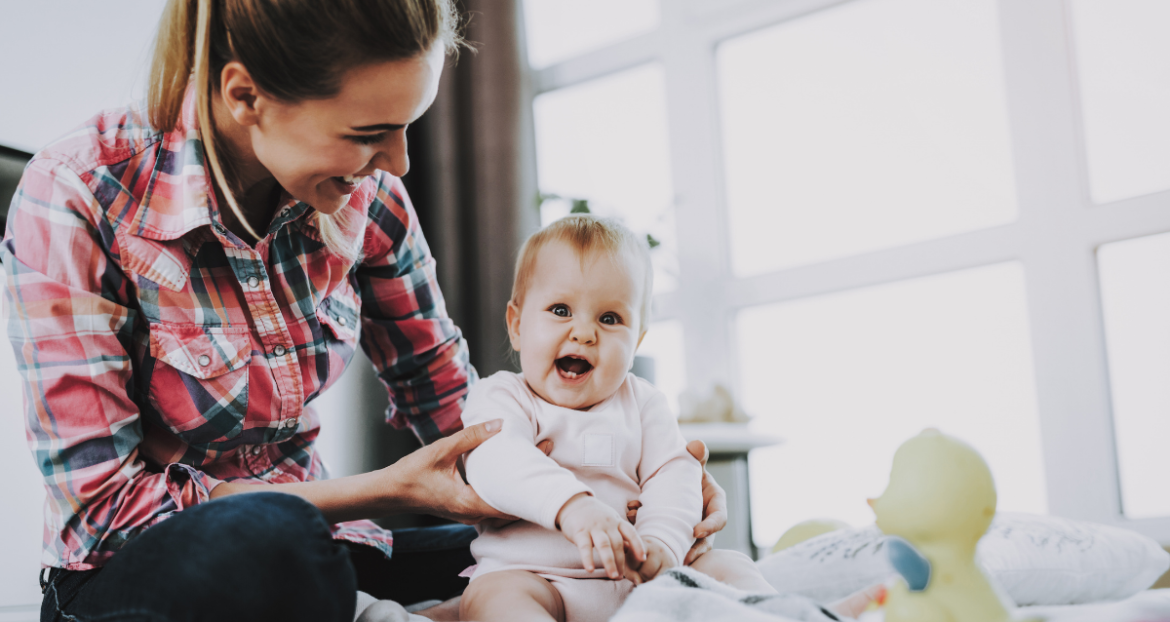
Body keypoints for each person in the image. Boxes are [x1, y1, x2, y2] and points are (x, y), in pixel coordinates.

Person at [2, 1, 731, 621]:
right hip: (138, 570)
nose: (399, 163)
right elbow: (106, 513)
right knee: (271, 540)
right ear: (244, 95)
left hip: (333, 550)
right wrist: (382, 490)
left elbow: (460, 421)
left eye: (406, 125)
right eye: (367, 134)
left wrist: (624, 498)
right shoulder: (76, 194)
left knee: (553, 566)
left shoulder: (372, 198)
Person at [458, 216, 780, 622]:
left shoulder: (645, 404)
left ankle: (786, 615)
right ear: (518, 325)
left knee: (731, 568)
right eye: (561, 310)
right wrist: (572, 506)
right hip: (536, 577)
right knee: (494, 598)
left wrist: (660, 544)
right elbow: (496, 460)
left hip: (638, 582)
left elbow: (674, 476)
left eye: (609, 319)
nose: (584, 333)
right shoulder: (501, 396)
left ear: (638, 341)